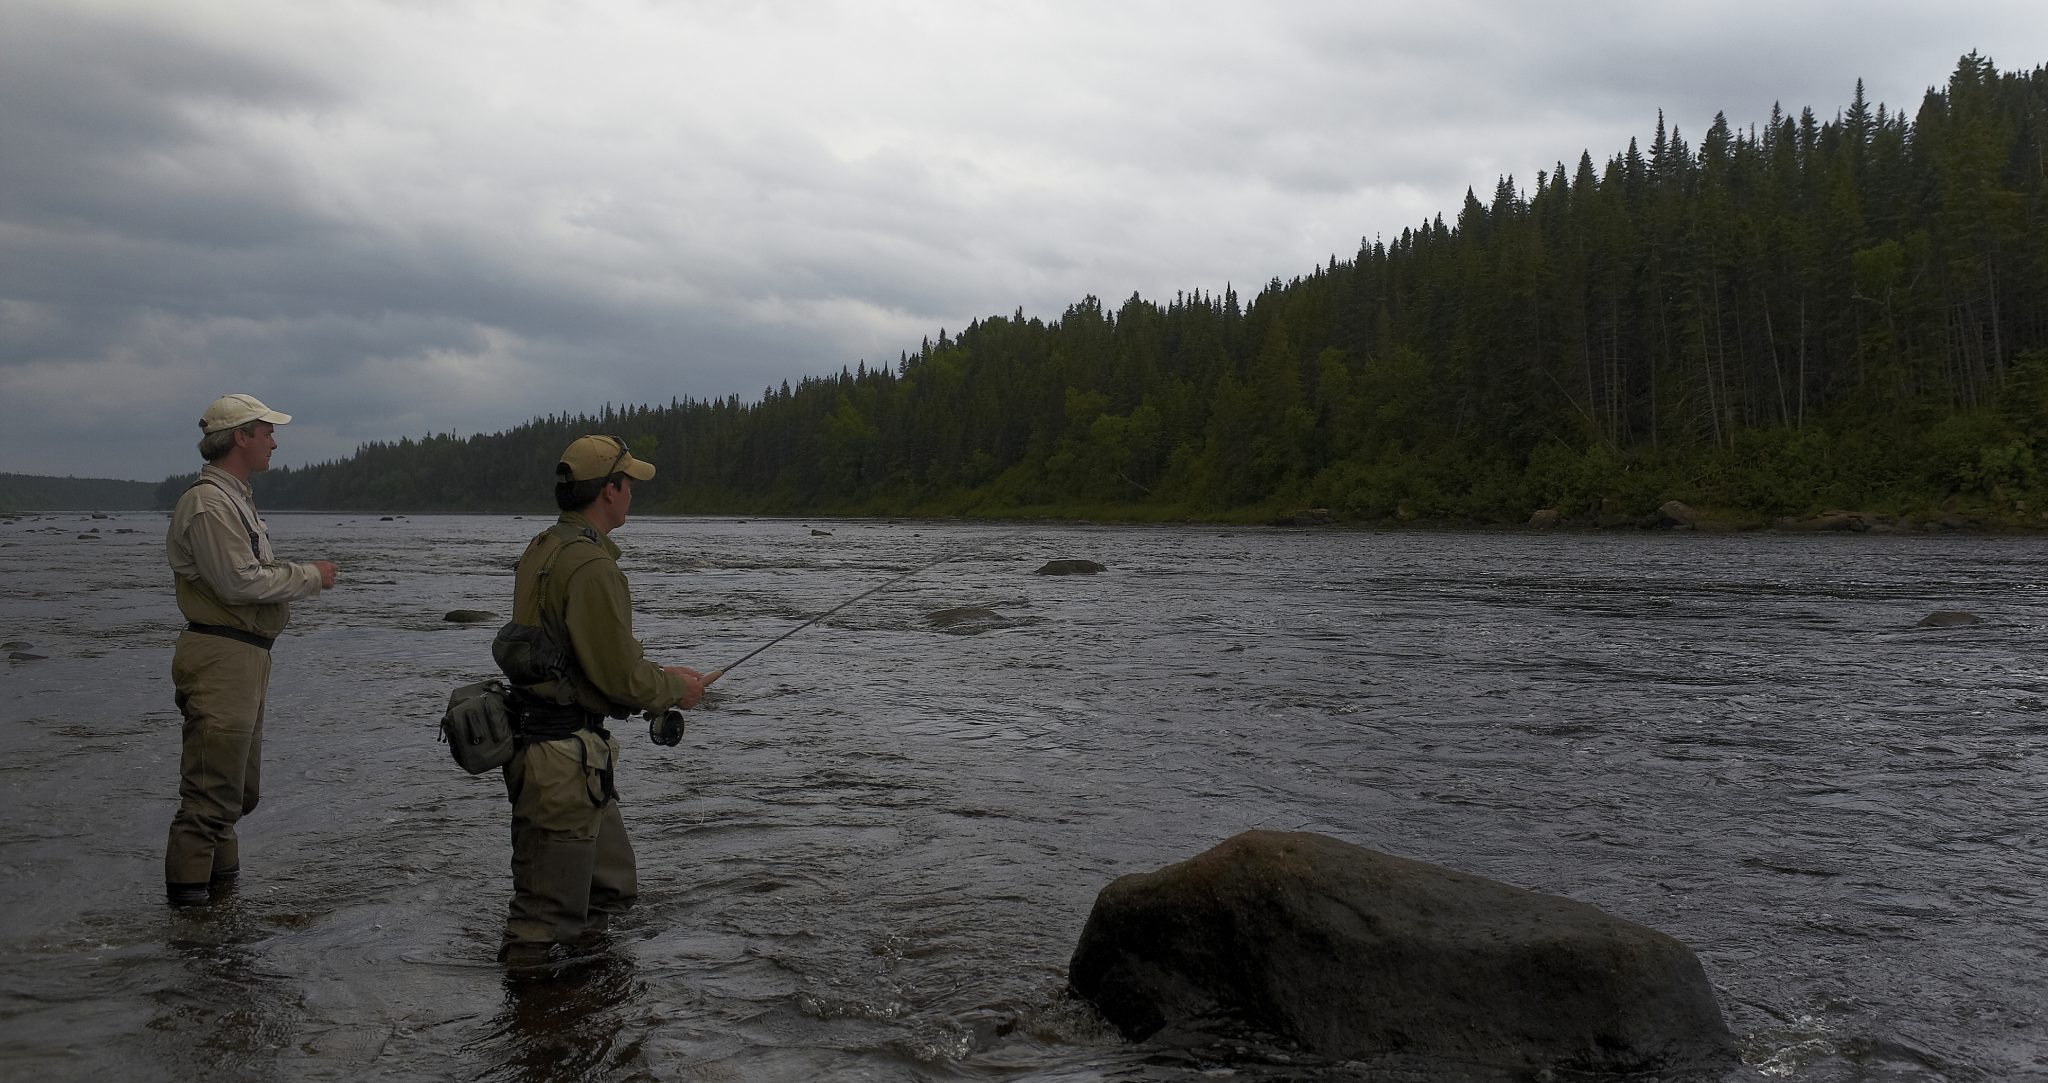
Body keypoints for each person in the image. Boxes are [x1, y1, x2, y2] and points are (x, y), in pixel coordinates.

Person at [495, 434, 705, 968]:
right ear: (607, 491)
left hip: (559, 752)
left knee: (609, 891)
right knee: (539, 927)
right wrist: (676, 688)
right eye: (628, 482)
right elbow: (618, 680)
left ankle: (586, 1007)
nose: (633, 492)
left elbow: (582, 656)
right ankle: (537, 1034)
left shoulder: (544, 546)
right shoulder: (592, 566)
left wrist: (655, 675)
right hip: (561, 762)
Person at [164, 393, 339, 906]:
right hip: (221, 657)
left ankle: (222, 907)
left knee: (238, 792)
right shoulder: (208, 502)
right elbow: (239, 581)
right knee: (210, 797)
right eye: (266, 431)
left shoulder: (232, 496)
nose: (274, 441)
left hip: (244, 655)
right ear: (240, 437)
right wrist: (310, 576)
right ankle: (191, 921)